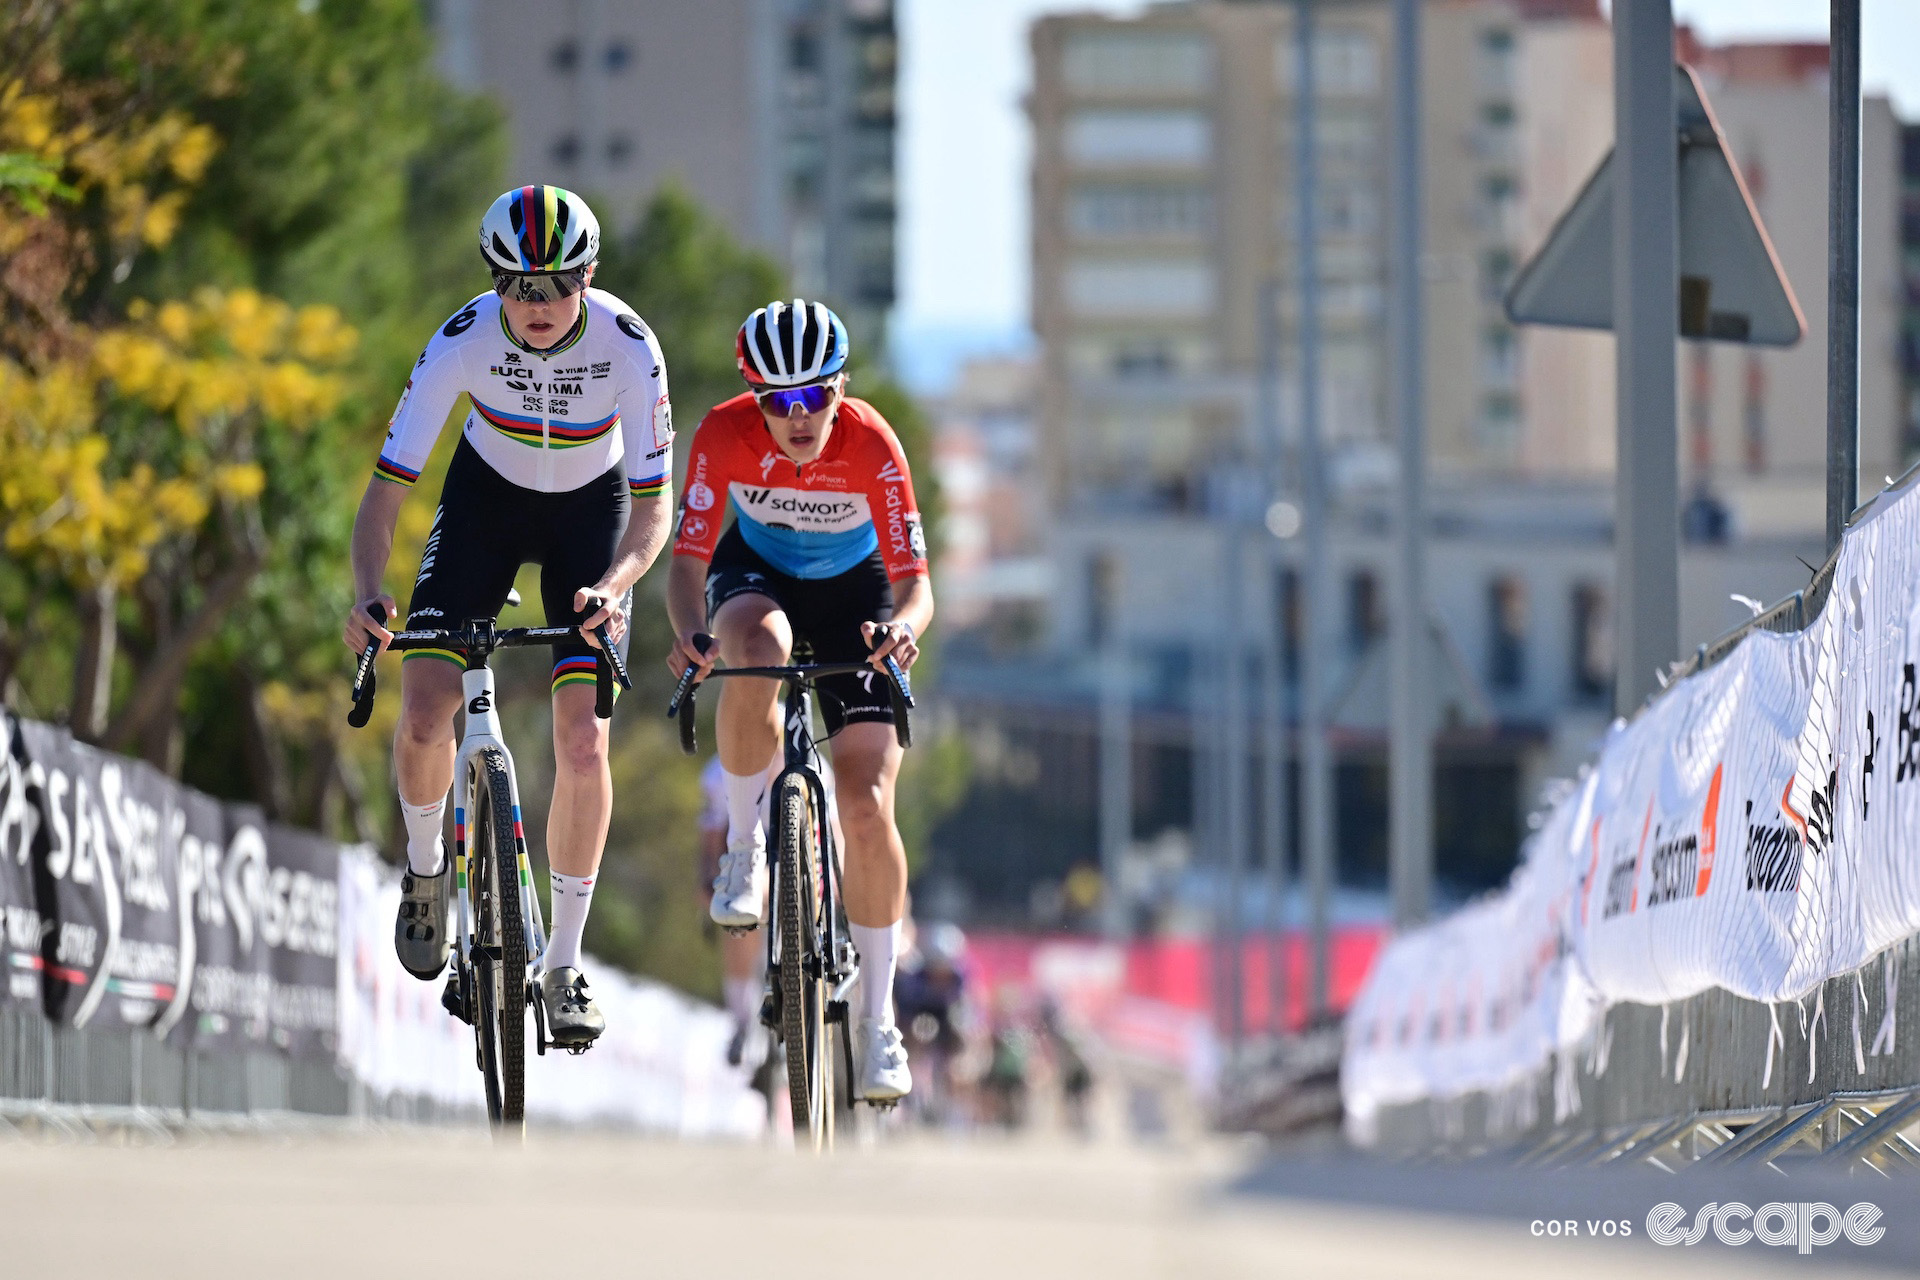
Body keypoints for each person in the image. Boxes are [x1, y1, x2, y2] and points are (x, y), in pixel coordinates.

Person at [342, 185, 675, 1047]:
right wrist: (368, 591)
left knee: (582, 738)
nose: (535, 306)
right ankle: (424, 874)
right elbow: (385, 494)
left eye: (555, 286)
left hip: (590, 517)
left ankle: (563, 960)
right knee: (422, 710)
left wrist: (619, 583)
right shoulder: (461, 339)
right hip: (485, 504)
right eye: (516, 287)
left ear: (588, 277)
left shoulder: (630, 347)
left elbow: (652, 509)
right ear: (494, 282)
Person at [665, 299, 932, 1102]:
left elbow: (917, 583)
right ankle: (747, 850)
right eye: (778, 401)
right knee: (757, 651)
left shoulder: (873, 444)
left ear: (838, 390)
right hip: (759, 580)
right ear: (754, 397)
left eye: (815, 396)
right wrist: (690, 635)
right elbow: (685, 564)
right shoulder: (722, 435)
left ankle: (878, 1022)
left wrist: (907, 628)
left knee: (866, 798)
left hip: (859, 597)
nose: (799, 415)